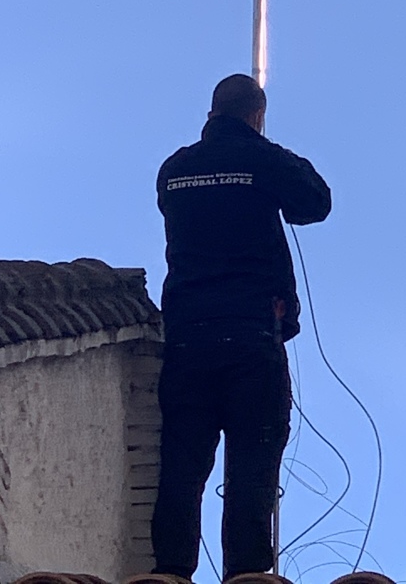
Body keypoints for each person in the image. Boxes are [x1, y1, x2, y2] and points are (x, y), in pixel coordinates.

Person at [151, 73, 331, 582]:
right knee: (252, 466)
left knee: (182, 467)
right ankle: (247, 574)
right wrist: (260, 148)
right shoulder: (261, 158)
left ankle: (169, 572)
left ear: (210, 114)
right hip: (251, 335)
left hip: (187, 338)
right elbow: (316, 202)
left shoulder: (174, 169)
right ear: (256, 116)